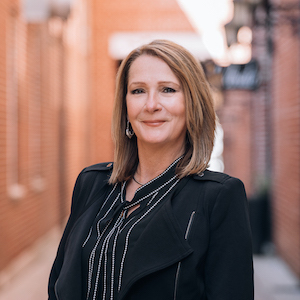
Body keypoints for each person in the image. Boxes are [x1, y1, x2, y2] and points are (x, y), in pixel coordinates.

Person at [48, 40, 254, 300]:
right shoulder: (91, 183)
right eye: (138, 91)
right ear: (125, 106)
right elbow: (57, 284)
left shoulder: (218, 197)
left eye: (168, 90)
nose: (151, 104)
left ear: (192, 104)